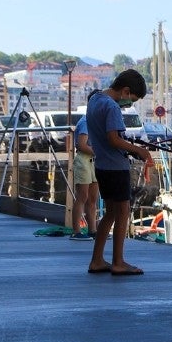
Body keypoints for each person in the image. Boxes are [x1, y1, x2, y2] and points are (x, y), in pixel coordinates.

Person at [85, 70, 153, 275]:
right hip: (116, 167)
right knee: (122, 212)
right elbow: (114, 139)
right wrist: (139, 150)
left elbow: (106, 138)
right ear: (125, 91)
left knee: (110, 213)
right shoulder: (112, 106)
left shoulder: (95, 99)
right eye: (131, 100)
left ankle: (97, 260)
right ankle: (118, 261)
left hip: (102, 166)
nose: (129, 105)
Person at [68, 97, 99, 240]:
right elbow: (82, 145)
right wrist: (99, 152)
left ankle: (92, 230)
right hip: (84, 160)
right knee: (82, 196)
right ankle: (76, 231)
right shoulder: (86, 122)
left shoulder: (93, 121)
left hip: (93, 161)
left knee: (93, 198)